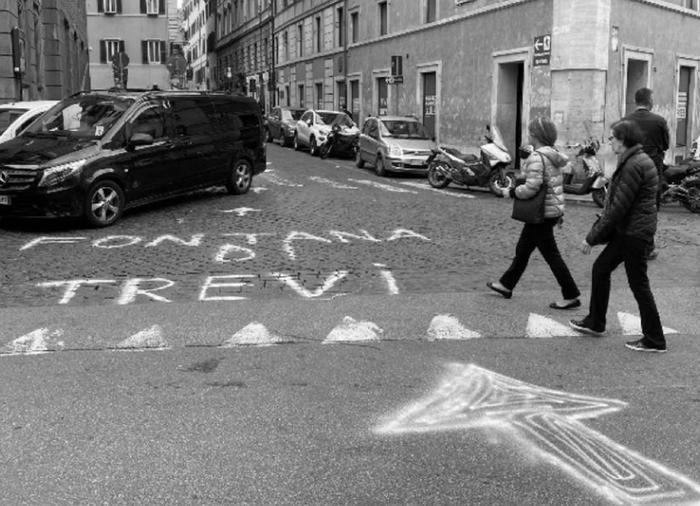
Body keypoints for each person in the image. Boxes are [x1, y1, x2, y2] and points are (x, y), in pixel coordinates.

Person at [570, 119, 666, 353]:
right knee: (601, 269)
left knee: (639, 284)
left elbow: (617, 209)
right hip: (630, 231)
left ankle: (655, 339)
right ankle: (596, 322)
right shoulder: (635, 160)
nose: (609, 141)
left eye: (612, 137)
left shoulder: (634, 164)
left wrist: (591, 238)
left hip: (633, 233)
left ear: (623, 140)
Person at [487, 117, 581, 309]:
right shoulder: (552, 155)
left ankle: (571, 294)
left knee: (551, 256)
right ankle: (506, 284)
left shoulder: (537, 157)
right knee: (522, 250)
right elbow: (554, 186)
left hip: (541, 213)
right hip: (548, 211)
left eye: (530, 132)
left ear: (537, 136)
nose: (528, 135)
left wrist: (511, 192)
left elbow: (532, 187)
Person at [624, 88, 669, 260]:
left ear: (636, 101)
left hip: (631, 170)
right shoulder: (659, 121)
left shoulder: (625, 121)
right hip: (652, 171)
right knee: (650, 209)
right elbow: (665, 145)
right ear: (649, 101)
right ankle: (648, 247)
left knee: (629, 207)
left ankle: (626, 246)